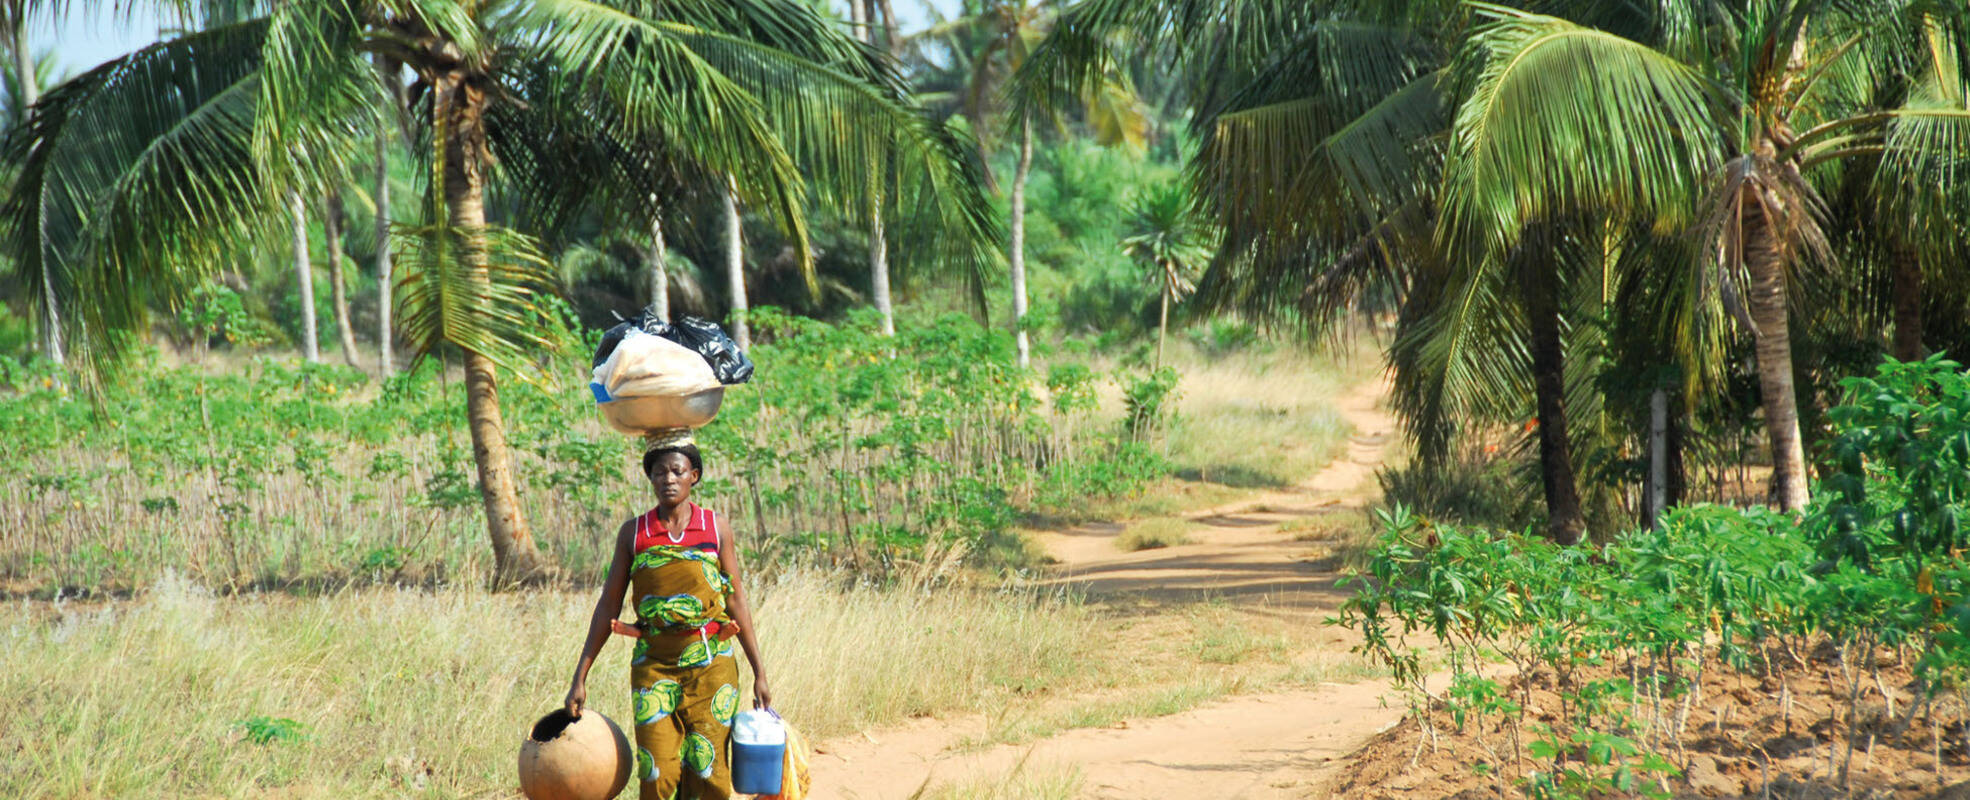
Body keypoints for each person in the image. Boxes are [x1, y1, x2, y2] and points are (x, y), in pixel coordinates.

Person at [564, 432, 771, 800]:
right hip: (654, 666)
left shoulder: (714, 528)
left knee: (709, 774)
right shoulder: (635, 533)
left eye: (677, 471)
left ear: (695, 475)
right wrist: (580, 675)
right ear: (650, 478)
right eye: (659, 472)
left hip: (711, 664)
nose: (668, 479)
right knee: (657, 772)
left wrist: (760, 672)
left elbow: (736, 600)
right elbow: (608, 605)